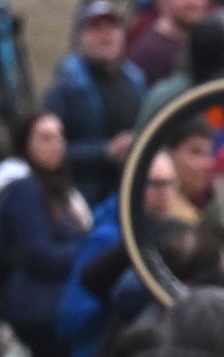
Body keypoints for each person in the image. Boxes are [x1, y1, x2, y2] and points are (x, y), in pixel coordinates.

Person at [0, 118, 97, 357]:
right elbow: (41, 254)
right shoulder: (24, 189)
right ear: (26, 145)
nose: (56, 145)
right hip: (40, 312)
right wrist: (90, 247)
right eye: (45, 138)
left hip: (55, 308)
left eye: (60, 136)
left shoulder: (59, 189)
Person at [45, 0, 148, 208]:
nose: (106, 35)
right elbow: (47, 154)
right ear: (81, 37)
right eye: (96, 28)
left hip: (127, 194)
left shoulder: (135, 80)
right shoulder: (66, 87)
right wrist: (105, 152)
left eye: (113, 27)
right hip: (83, 198)